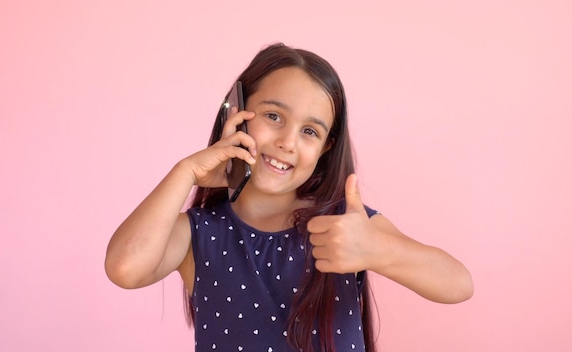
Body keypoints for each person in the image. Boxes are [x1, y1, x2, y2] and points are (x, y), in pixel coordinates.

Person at [105, 42, 474, 352]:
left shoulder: (345, 226)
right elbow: (125, 267)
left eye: (310, 131)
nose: (287, 142)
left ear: (326, 147)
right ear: (236, 111)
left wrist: (377, 250)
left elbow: (458, 284)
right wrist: (186, 172)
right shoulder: (200, 233)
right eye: (274, 116)